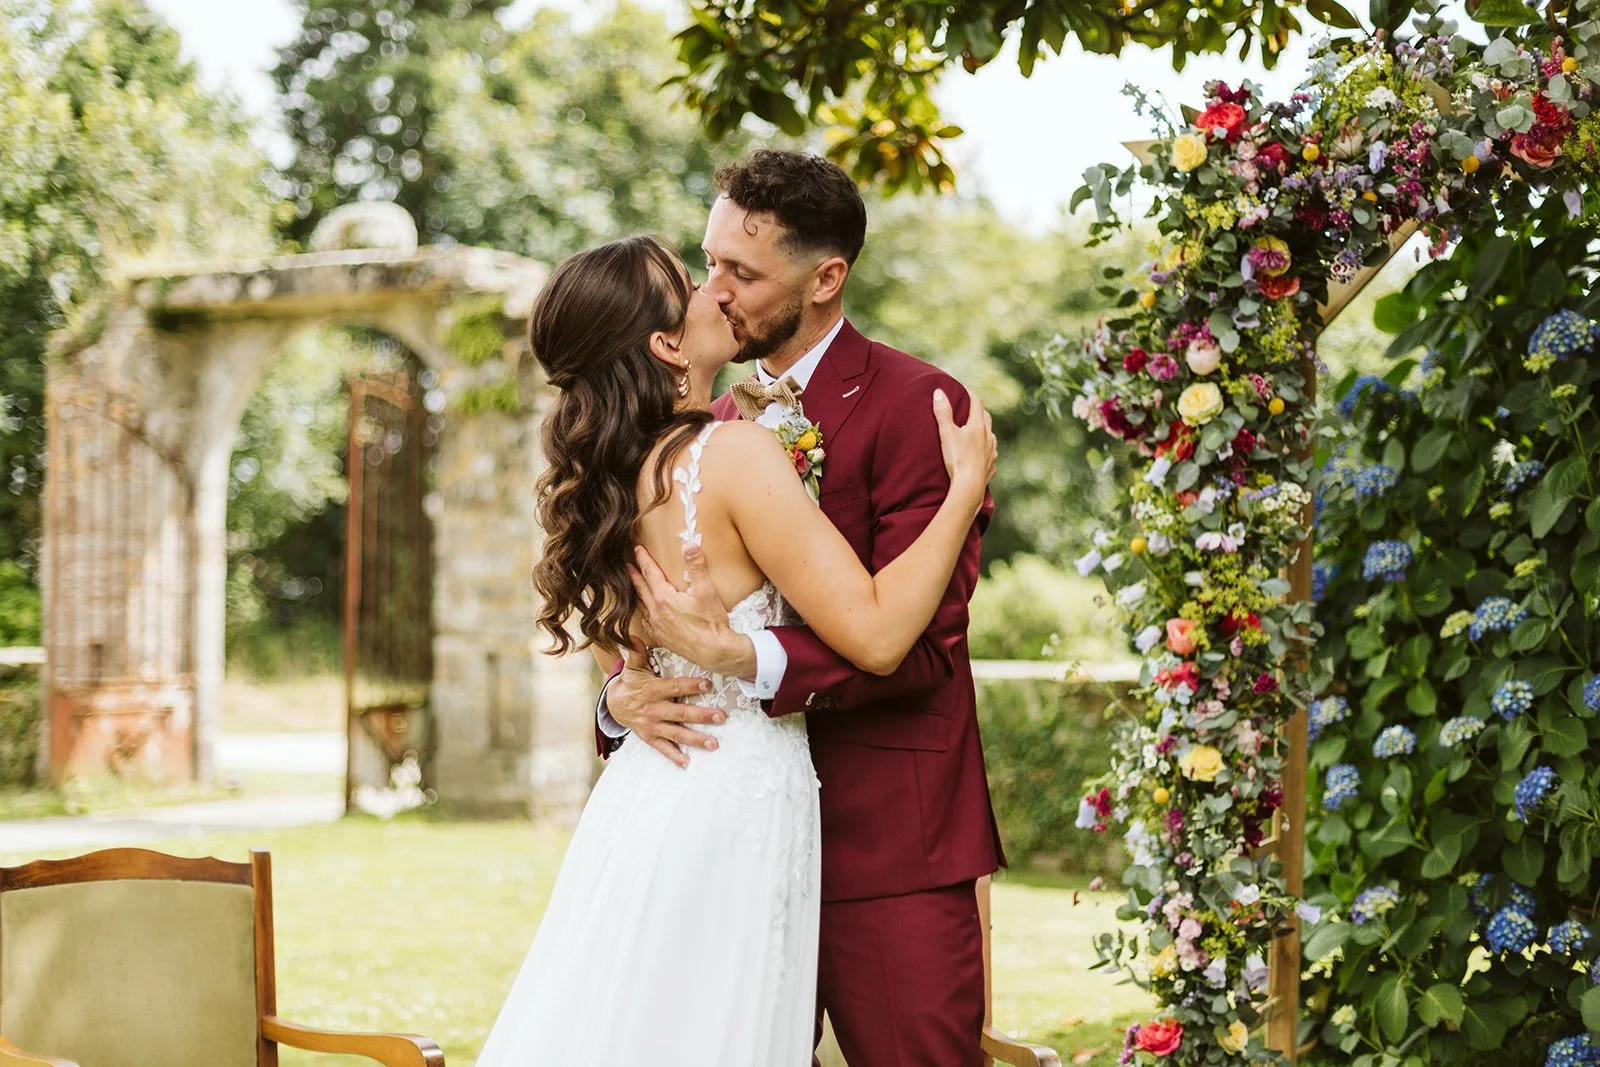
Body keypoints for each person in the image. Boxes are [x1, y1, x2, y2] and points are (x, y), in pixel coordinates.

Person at [474, 228, 996, 1067]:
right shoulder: (733, 452)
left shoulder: (617, 473)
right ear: (665, 343)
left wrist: (629, 695)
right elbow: (878, 631)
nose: (714, 288)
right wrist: (963, 494)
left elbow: (644, 651)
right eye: (693, 279)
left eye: (728, 269)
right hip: (735, 796)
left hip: (658, 801)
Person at [603, 150, 1007, 1066]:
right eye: (708, 261)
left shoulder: (921, 406)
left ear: (827, 277)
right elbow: (635, 617)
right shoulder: (694, 428)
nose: (711, 292)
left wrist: (754, 658)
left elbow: (926, 646)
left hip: (887, 850)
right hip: (724, 842)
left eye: (741, 273)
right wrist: (617, 701)